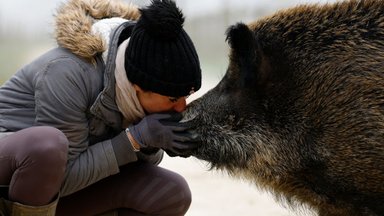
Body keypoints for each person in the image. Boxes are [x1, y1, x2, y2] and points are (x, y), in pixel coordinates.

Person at [0, 0, 201, 215]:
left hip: (55, 195)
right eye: (173, 98)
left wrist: (151, 144)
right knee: (48, 146)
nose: (181, 107)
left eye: (186, 96)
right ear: (137, 87)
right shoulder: (68, 71)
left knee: (171, 193)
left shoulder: (132, 87)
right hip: (17, 176)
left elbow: (127, 160)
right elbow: (59, 177)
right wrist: (135, 139)